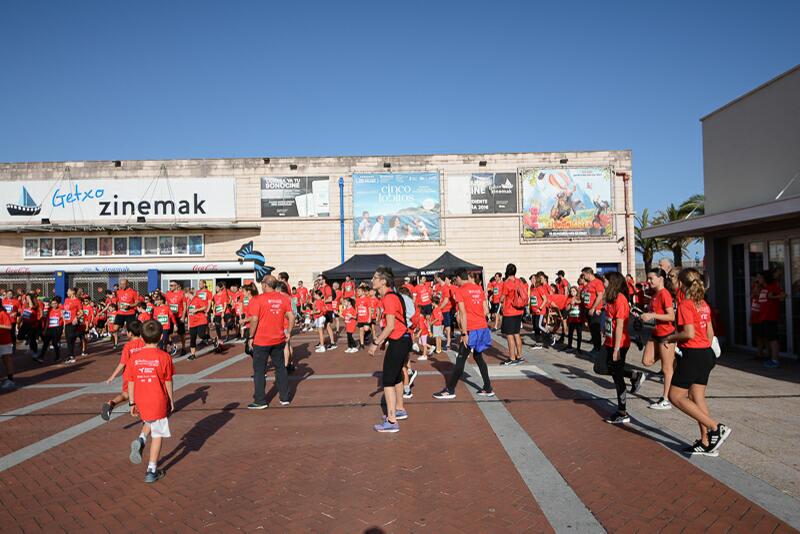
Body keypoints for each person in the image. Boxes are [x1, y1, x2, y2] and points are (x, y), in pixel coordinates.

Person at [665, 268, 731, 456]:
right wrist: (705, 349)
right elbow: (710, 333)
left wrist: (671, 339)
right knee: (697, 397)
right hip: (705, 353)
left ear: (682, 284)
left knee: (676, 396)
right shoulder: (702, 303)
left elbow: (688, 333)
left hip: (693, 354)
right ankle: (706, 441)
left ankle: (716, 428)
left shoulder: (686, 304)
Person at [126, 320, 175, 483]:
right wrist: (171, 400)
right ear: (161, 337)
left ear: (142, 336)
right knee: (158, 434)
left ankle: (141, 439)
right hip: (158, 398)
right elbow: (168, 381)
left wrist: (132, 403)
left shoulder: (134, 358)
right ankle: (151, 470)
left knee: (150, 420)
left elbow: (131, 381)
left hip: (140, 398)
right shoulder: (164, 357)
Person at [433, 269, 493, 399]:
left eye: (456, 279)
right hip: (482, 327)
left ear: (459, 278)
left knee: (460, 359)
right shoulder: (478, 289)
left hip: (471, 329)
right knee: (478, 357)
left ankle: (450, 389)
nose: (455, 282)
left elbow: (462, 313)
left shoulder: (460, 291)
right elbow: (485, 310)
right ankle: (488, 387)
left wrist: (464, 333)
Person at [368, 267, 411, 433]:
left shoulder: (389, 298)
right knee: (396, 377)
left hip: (399, 340)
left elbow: (391, 325)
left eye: (375, 277)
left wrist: (376, 342)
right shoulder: (394, 296)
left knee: (387, 380)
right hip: (403, 339)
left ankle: (392, 420)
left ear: (383, 281)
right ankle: (399, 409)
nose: (372, 280)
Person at [602, 272, 645, 424]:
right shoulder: (610, 298)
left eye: (605, 280)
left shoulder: (620, 299)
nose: (603, 283)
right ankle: (634, 376)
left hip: (618, 344)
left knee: (617, 376)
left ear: (612, 282)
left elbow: (620, 325)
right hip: (608, 341)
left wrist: (616, 349)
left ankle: (622, 411)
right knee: (600, 367)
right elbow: (609, 320)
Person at [246, 275, 294, 409]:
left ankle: (260, 400)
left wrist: (251, 337)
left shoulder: (258, 299)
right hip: (278, 339)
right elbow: (291, 316)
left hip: (261, 340)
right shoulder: (284, 298)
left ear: (265, 285)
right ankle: (284, 397)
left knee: (259, 371)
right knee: (280, 368)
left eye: (262, 283)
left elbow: (254, 319)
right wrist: (288, 331)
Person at [640, 268, 676, 410]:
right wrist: (645, 315)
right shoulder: (655, 294)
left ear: (660, 279)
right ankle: (672, 355)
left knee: (667, 369)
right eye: (648, 279)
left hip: (666, 334)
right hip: (655, 333)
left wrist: (653, 315)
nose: (648, 281)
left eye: (651, 279)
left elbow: (671, 316)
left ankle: (666, 399)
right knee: (646, 361)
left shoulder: (664, 294)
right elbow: (655, 313)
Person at [101, 320, 145, 421]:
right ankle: (142, 414)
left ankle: (111, 403)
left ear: (130, 333)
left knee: (126, 394)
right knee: (140, 393)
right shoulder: (144, 343)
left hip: (129, 375)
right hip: (141, 372)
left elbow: (122, 363)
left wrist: (113, 376)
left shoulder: (128, 346)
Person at [758, 270, 785, 369]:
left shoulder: (773, 286)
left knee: (773, 339)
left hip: (771, 317)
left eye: (760, 277)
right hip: (764, 318)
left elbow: (783, 295)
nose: (758, 279)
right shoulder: (763, 288)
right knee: (769, 339)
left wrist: (773, 296)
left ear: (765, 278)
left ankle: (775, 360)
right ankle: (771, 357)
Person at [499, 263, 525, 365]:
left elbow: (502, 296)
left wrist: (499, 302)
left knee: (509, 335)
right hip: (519, 310)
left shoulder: (507, 283)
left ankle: (512, 357)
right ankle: (519, 355)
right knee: (517, 334)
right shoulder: (519, 281)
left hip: (509, 311)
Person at [186, 288, 218, 360]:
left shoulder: (197, 299)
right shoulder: (188, 301)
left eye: (185, 294)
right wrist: (188, 324)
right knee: (192, 338)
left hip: (200, 320)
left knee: (201, 335)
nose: (185, 296)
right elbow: (188, 313)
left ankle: (213, 339)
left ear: (188, 293)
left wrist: (196, 310)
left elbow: (205, 307)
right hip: (192, 322)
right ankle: (193, 354)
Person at [581, 267, 605, 353]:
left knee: (595, 330)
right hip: (587, 308)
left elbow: (600, 296)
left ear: (588, 274)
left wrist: (593, 308)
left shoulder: (597, 282)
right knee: (592, 330)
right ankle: (595, 347)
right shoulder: (589, 283)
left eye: (584, 275)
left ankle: (598, 349)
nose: (583, 277)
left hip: (594, 310)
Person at [34, 297, 65, 364]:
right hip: (50, 328)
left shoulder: (61, 310)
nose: (54, 305)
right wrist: (45, 329)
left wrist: (64, 329)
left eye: (55, 303)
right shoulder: (49, 310)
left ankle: (58, 357)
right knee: (45, 343)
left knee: (54, 343)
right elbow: (48, 320)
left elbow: (64, 320)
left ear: (58, 304)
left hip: (57, 328)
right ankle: (41, 357)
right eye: (52, 303)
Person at [114, 279, 140, 348]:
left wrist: (130, 306)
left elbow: (137, 302)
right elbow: (118, 301)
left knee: (130, 331)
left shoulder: (133, 292)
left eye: (124, 284)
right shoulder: (118, 292)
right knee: (115, 328)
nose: (122, 285)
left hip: (130, 313)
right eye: (121, 284)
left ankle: (132, 344)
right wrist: (118, 305)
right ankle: (121, 330)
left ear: (128, 284)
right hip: (120, 312)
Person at [165, 281, 188, 356]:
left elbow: (185, 306)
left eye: (172, 285)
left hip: (179, 316)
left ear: (176, 286)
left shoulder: (181, 294)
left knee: (181, 334)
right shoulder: (168, 294)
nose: (170, 286)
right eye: (170, 285)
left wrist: (183, 316)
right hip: (170, 316)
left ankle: (183, 348)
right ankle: (171, 346)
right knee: (168, 333)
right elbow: (166, 304)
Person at [63, 288, 84, 364]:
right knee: (68, 339)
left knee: (71, 338)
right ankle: (71, 355)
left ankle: (71, 355)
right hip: (67, 322)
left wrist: (76, 318)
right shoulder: (66, 300)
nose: (67, 292)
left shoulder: (77, 301)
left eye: (68, 291)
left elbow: (81, 312)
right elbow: (64, 310)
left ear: (73, 292)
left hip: (73, 322)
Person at [0, 305, 15, 390]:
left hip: (4, 341)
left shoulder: (3, 313)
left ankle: (10, 380)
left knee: (7, 360)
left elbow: (9, 326)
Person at [565, 287, 583, 353]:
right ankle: (569, 346)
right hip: (571, 319)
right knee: (570, 333)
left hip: (579, 319)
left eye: (574, 291)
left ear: (577, 291)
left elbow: (582, 303)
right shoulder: (569, 299)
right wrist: (570, 304)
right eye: (571, 291)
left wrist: (577, 302)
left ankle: (578, 348)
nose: (572, 292)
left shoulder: (580, 298)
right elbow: (566, 309)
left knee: (579, 333)